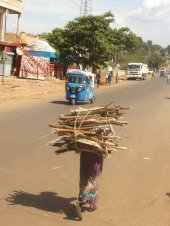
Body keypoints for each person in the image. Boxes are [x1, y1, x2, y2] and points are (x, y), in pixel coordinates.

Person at [75, 151, 104, 220]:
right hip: (96, 158)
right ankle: (88, 203)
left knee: (84, 180)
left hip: (84, 158)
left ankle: (84, 201)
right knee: (93, 181)